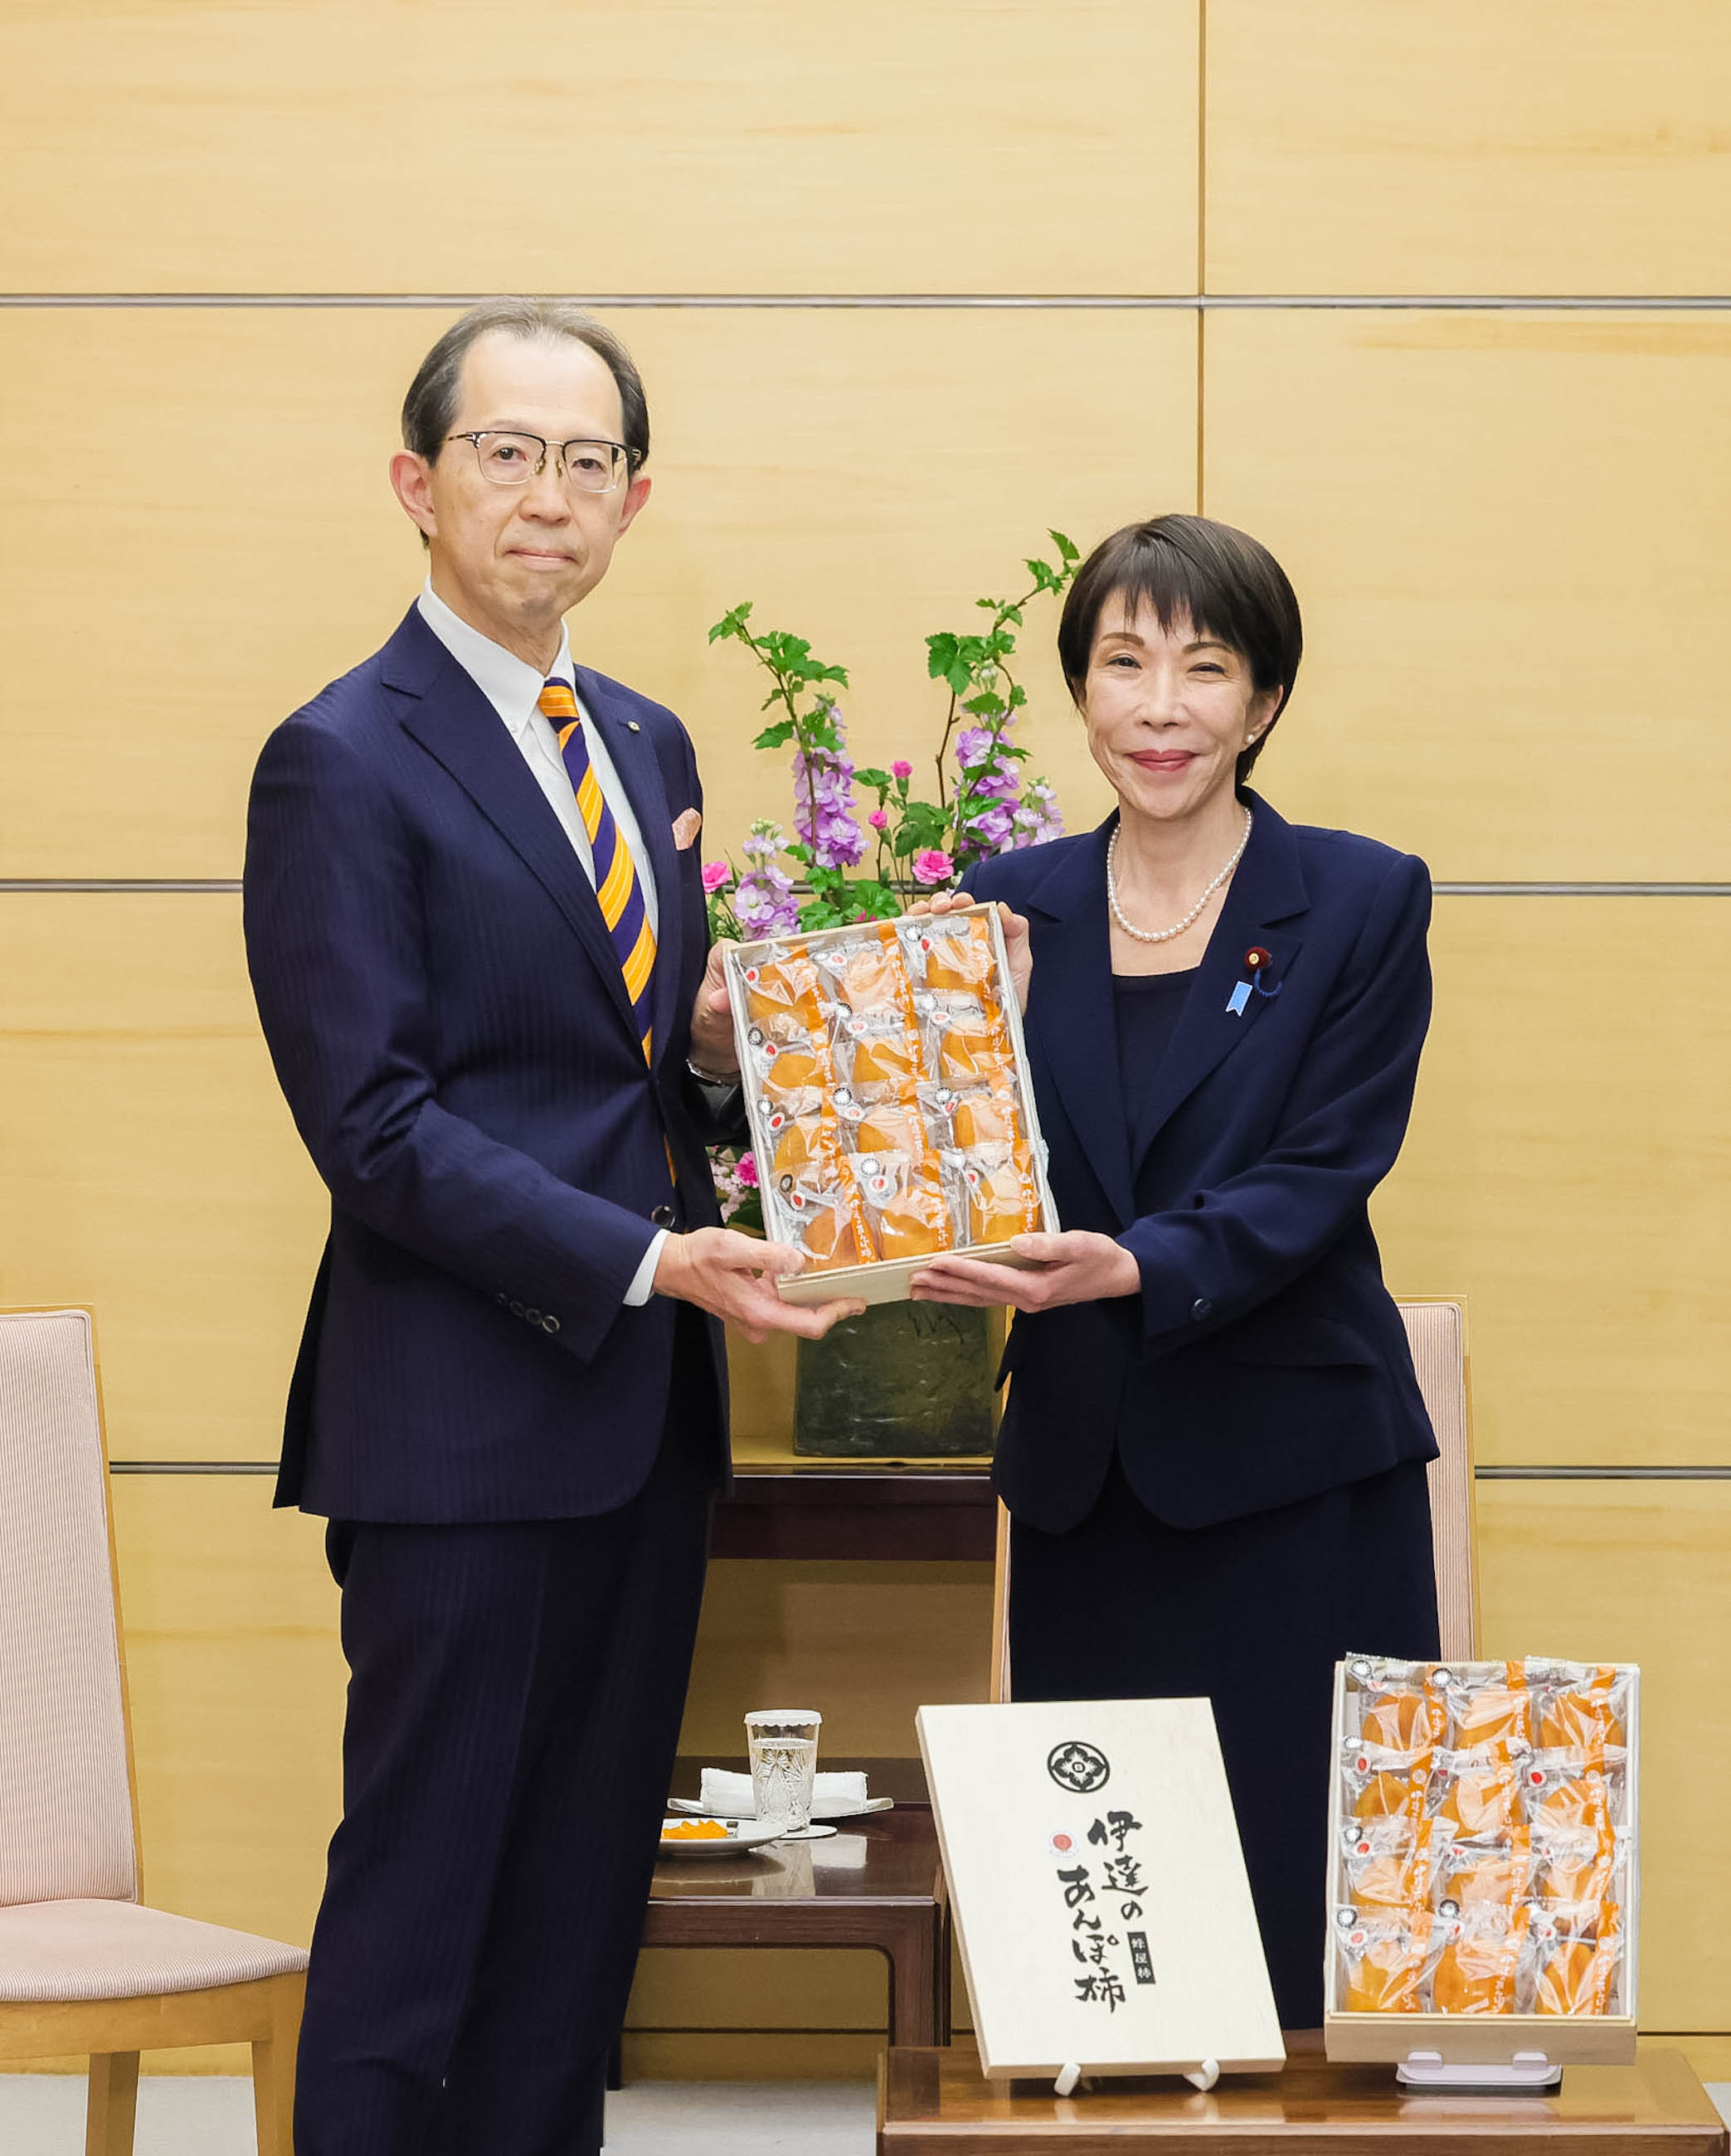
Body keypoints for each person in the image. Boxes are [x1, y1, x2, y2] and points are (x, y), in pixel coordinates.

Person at [243, 297, 859, 2156]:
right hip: (455, 1427)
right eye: (507, 454)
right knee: (422, 1907)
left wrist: (735, 1046)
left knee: (579, 1919)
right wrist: (648, 1255)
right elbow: (377, 1123)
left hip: (642, 1429)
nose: (548, 496)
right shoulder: (341, 755)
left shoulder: (649, 744)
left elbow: (616, 1050)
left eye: (588, 463)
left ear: (636, 497)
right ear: (419, 484)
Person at [912, 512, 1441, 2029]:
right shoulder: (1011, 899)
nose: (1160, 707)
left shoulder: (1354, 896)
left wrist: (1136, 1266)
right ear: (1078, 691)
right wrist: (976, 1047)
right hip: (1089, 1478)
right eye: (1122, 663)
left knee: (1297, 1913)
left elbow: (1326, 1168)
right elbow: (954, 1164)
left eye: (1204, 668)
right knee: (1111, 1926)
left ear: (1262, 703)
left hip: (1297, 1478)